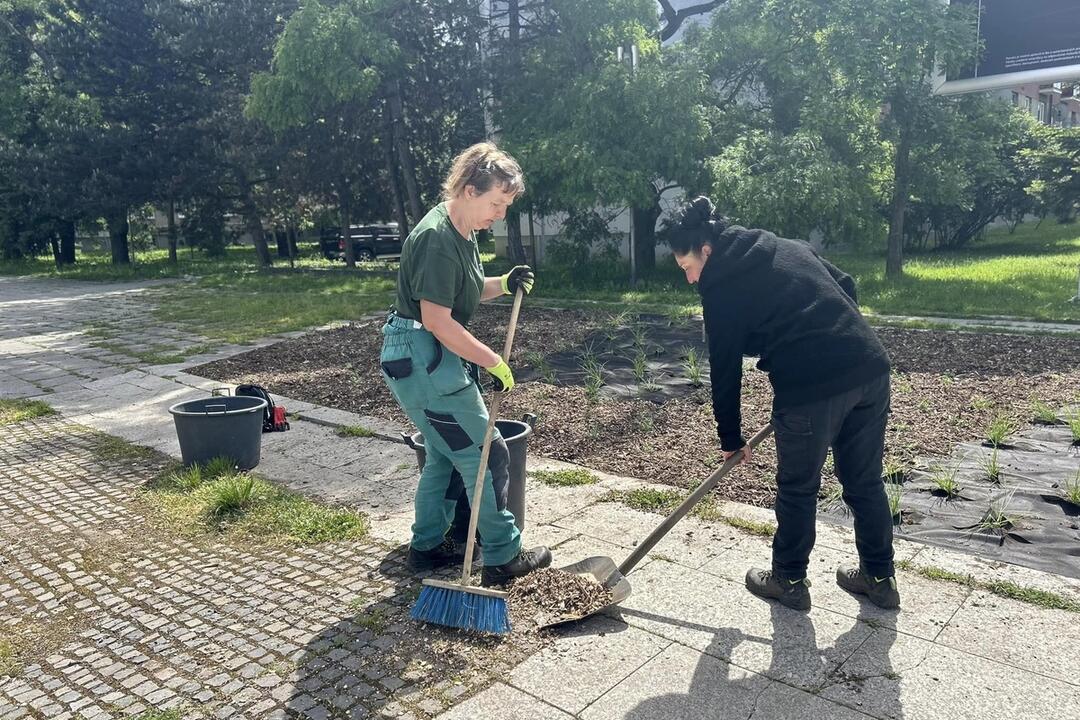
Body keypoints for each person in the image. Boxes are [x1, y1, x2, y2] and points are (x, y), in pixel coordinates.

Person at [666, 196, 899, 610]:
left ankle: (789, 580)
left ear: (706, 250)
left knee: (798, 487)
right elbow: (845, 285)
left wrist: (730, 438)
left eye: (687, 267)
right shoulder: (784, 245)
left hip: (810, 387)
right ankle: (879, 578)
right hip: (869, 367)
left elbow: (724, 369)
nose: (689, 279)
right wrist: (831, 339)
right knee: (864, 481)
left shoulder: (720, 287)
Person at [379, 142, 552, 587]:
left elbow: (463, 292)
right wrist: (493, 360)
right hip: (423, 357)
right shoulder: (437, 238)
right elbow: (438, 320)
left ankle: (426, 547)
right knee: (485, 452)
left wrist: (504, 281)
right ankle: (503, 555)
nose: (500, 214)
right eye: (496, 203)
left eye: (506, 206)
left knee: (442, 453)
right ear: (470, 190)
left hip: (424, 354)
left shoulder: (461, 230)